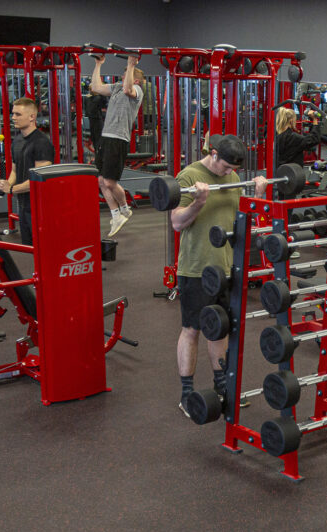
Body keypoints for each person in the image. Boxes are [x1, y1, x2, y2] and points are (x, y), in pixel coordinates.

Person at [166, 135, 266, 418]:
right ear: (213, 154)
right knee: (192, 329)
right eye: (223, 167)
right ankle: (187, 395)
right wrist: (199, 202)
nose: (227, 173)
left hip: (225, 268)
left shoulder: (232, 176)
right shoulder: (190, 175)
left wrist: (257, 197)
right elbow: (176, 222)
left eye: (232, 169)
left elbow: (242, 220)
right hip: (196, 268)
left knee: (219, 328)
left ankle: (223, 387)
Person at [89, 54, 145, 237]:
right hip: (106, 138)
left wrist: (130, 64)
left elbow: (129, 88)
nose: (122, 78)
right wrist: (98, 65)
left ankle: (124, 208)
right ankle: (116, 215)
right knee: (100, 181)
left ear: (135, 78)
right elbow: (96, 87)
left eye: (125, 74)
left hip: (118, 140)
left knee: (109, 182)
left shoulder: (136, 90)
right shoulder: (116, 88)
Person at [0, 97, 54, 247]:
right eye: (13, 114)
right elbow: (14, 171)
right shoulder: (17, 141)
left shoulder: (42, 143)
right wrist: (5, 184)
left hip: (40, 207)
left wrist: (12, 189)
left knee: (43, 248)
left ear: (32, 117)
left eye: (18, 114)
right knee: (28, 247)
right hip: (23, 205)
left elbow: (39, 179)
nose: (13, 117)